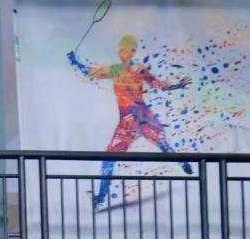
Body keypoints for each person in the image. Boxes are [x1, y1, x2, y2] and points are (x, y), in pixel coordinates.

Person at [68, 35, 192, 209]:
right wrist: (178, 85)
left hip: (129, 121)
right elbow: (157, 84)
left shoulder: (116, 69)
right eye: (122, 49)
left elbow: (89, 72)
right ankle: (183, 163)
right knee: (161, 144)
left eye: (126, 50)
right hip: (144, 117)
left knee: (109, 158)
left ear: (132, 51)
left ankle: (101, 198)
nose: (123, 53)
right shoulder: (137, 68)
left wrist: (74, 61)